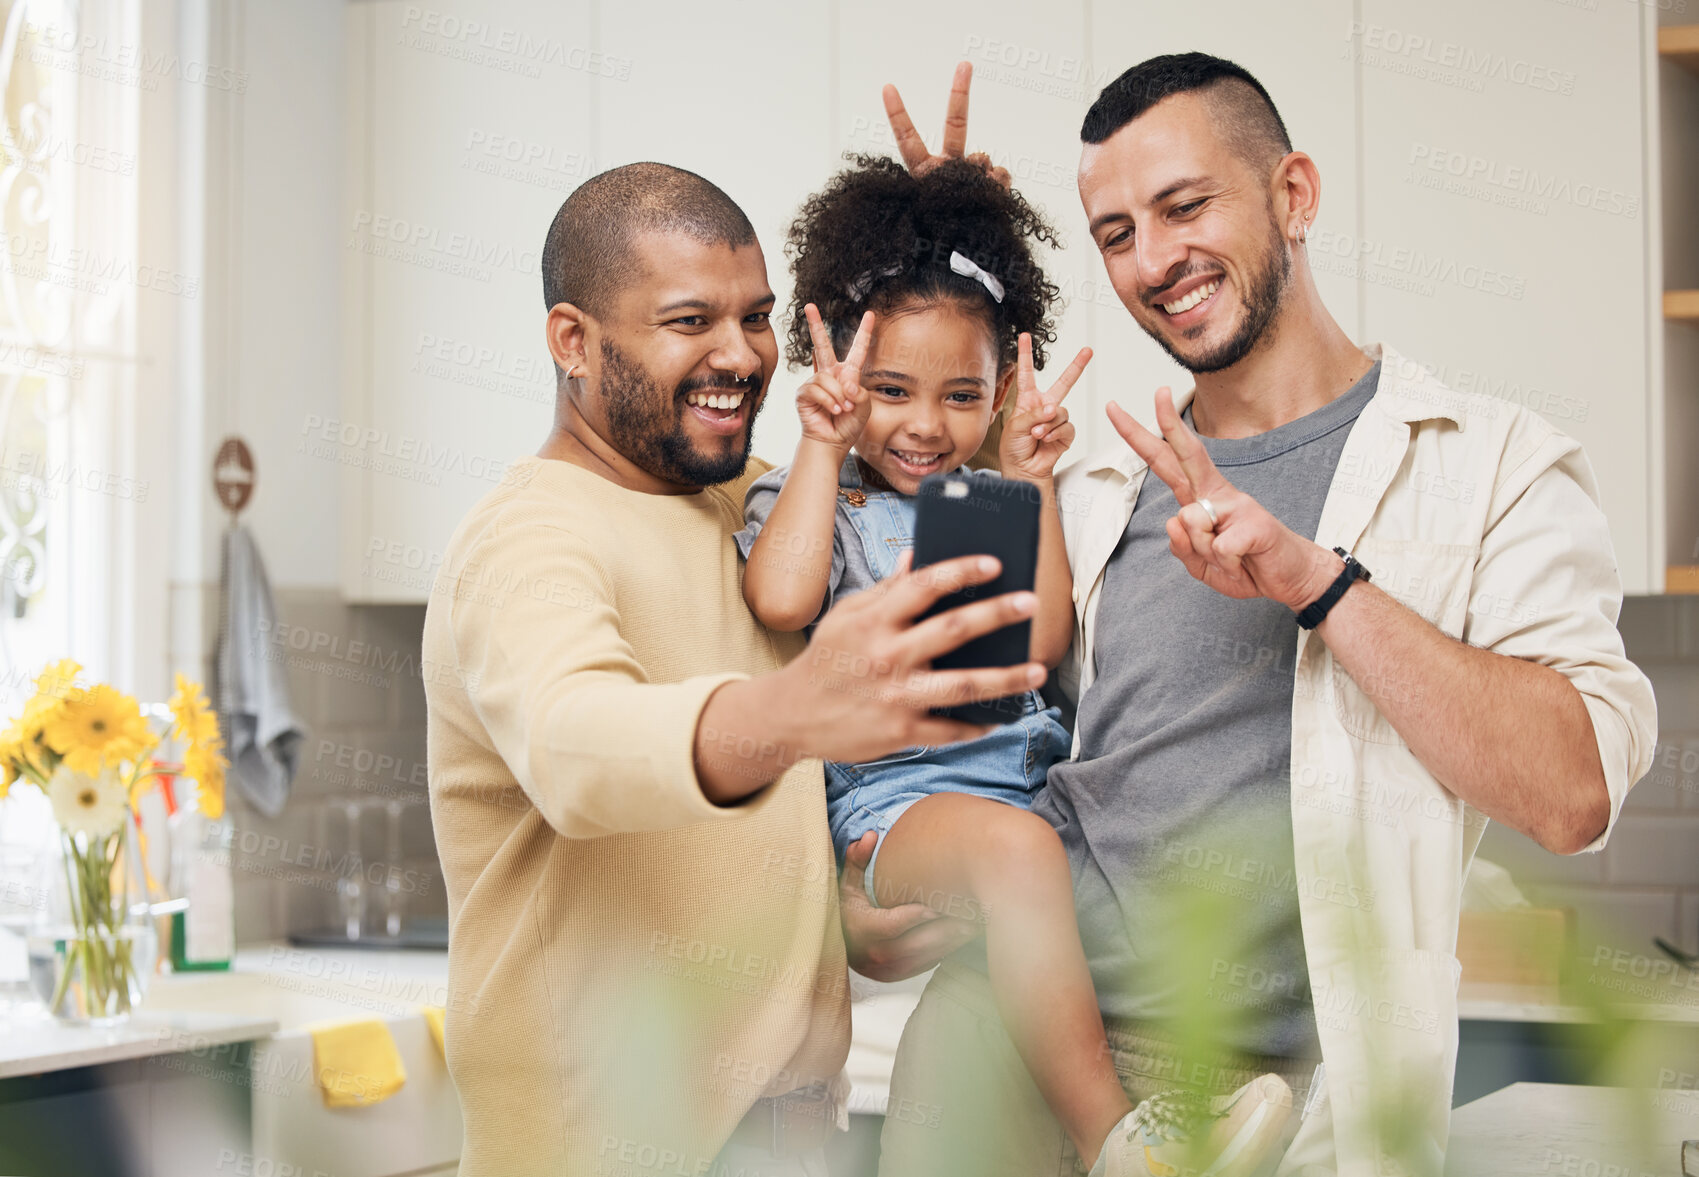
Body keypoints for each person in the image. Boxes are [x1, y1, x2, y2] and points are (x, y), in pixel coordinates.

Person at [859, 56, 1658, 1176]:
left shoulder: (1492, 468)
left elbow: (1571, 791)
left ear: (1294, 196)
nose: (1153, 260)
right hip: (1005, 1040)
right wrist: (948, 269)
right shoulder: (1094, 485)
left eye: (1185, 206)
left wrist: (1315, 583)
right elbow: (952, 690)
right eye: (1117, 232)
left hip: (1281, 1100)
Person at [422, 161, 1051, 1177]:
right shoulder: (527, 538)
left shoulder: (774, 502)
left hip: (795, 1141)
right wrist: (794, 711)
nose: (740, 357)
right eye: (689, 322)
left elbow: (947, 443)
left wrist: (947, 252)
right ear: (572, 342)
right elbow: (574, 741)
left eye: (756, 318)